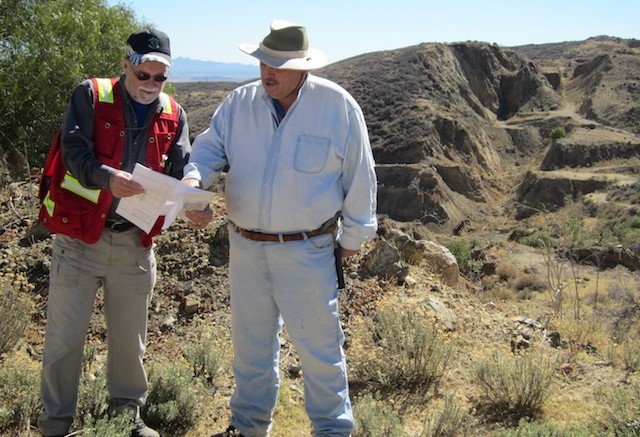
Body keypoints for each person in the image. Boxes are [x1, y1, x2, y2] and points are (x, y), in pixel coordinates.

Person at [182, 19, 378, 437]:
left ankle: (332, 430)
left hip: (307, 251)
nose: (267, 72)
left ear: (303, 68)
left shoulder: (337, 107)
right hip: (246, 248)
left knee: (320, 351)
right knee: (251, 348)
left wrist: (353, 239)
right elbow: (208, 148)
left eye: (278, 65)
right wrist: (194, 182)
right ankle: (248, 427)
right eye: (263, 62)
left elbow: (360, 176)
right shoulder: (239, 103)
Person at [37, 29, 191, 437]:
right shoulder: (90, 95)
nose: (151, 86)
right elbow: (73, 154)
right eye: (144, 75)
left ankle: (127, 416)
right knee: (64, 341)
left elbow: (182, 167)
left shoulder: (174, 112)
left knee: (129, 342)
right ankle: (56, 424)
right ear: (126, 64)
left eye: (160, 78)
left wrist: (192, 193)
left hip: (133, 245)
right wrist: (106, 178)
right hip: (80, 241)